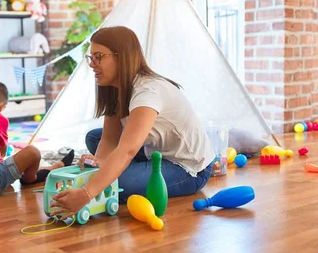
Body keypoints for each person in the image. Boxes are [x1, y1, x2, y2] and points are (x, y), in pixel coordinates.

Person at [50, 26, 214, 218]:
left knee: (120, 184)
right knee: (94, 138)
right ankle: (116, 170)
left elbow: (127, 150)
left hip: (188, 168)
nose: (92, 64)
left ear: (121, 57)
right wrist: (98, 164)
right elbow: (109, 140)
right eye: (91, 57)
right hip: (154, 152)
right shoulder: (114, 88)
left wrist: (86, 193)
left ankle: (120, 172)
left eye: (98, 57)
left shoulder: (148, 92)